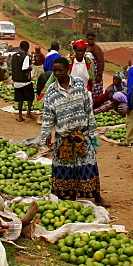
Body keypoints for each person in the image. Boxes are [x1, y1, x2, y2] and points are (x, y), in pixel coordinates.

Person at [38, 57, 108, 206]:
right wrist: (46, 133)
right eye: (55, 70)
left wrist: (92, 130)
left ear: (67, 70)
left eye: (60, 70)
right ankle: (68, 197)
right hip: (63, 136)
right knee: (64, 168)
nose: (57, 73)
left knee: (89, 165)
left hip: (81, 134)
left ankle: (97, 196)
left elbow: (88, 108)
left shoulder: (78, 84)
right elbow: (48, 114)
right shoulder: (51, 90)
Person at [10, 40, 34, 122]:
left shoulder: (14, 56)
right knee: (30, 97)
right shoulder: (25, 56)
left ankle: (20, 116)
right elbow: (24, 68)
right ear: (26, 48)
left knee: (20, 99)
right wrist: (31, 67)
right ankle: (28, 112)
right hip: (25, 81)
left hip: (16, 80)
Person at [85, 33, 106, 101]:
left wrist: (99, 75)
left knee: (96, 89)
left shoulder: (96, 49)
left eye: (92, 39)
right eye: (89, 39)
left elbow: (101, 62)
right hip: (88, 71)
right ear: (87, 39)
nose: (90, 41)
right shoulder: (86, 47)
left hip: (95, 72)